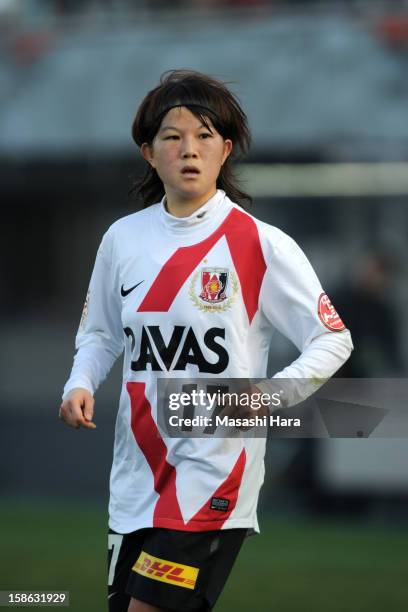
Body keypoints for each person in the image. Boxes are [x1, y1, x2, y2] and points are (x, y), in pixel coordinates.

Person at [59, 69, 353, 612]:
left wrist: (262, 400)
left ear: (226, 148)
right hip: (135, 475)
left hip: (213, 469)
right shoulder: (122, 239)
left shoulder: (261, 244)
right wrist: (80, 381)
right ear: (149, 153)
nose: (188, 149)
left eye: (204, 135)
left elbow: (333, 340)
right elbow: (99, 333)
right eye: (172, 137)